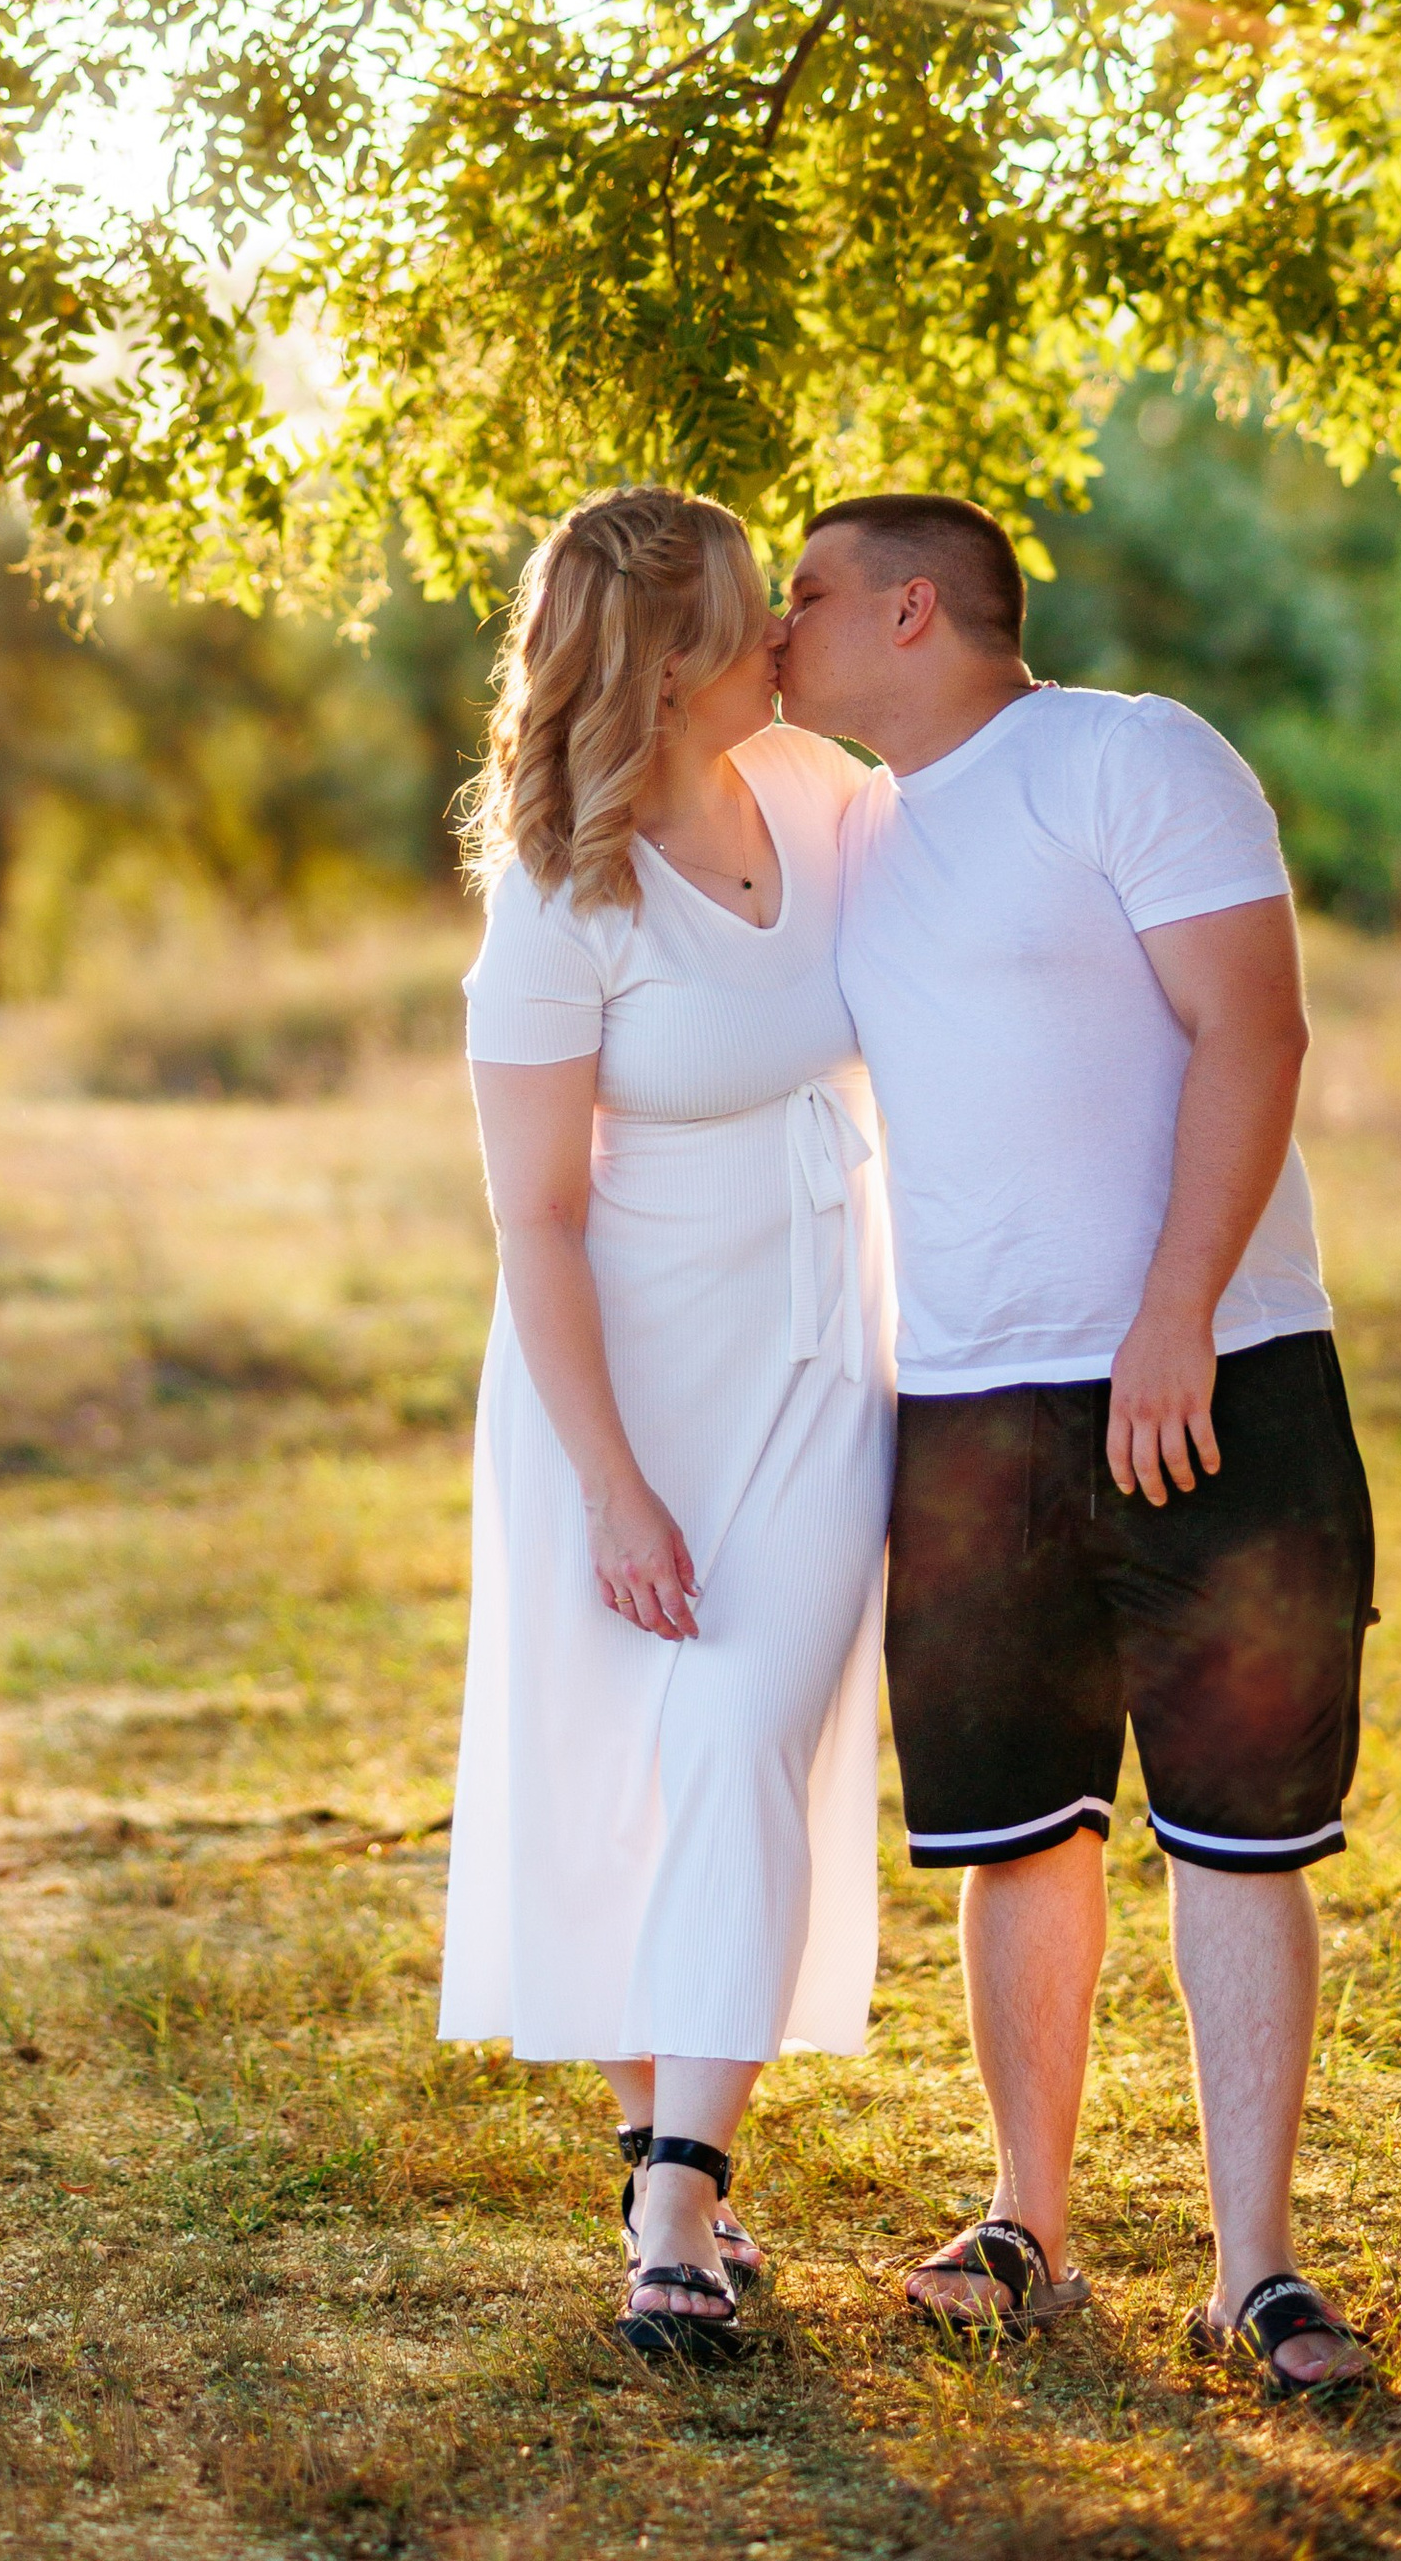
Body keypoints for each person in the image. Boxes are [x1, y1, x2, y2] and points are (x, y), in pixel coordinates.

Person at [777, 490, 1375, 2399]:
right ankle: (1028, 2221)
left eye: (804, 599)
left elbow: (1255, 1035)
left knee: (1237, 1826)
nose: (777, 634)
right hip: (964, 1406)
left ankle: (1257, 2268)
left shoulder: (1131, 754)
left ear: (916, 609)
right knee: (1012, 1830)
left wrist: (1176, 1312)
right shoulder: (850, 831)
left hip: (1214, 1373)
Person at [438, 483, 894, 2365]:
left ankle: (680, 2197)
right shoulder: (560, 888)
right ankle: (665, 2161)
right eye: (752, 611)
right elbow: (534, 1217)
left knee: (739, 1734)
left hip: (815, 1362)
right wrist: (617, 1493)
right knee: (622, 1764)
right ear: (673, 656)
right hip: (611, 1391)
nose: (790, 630)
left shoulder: (822, 789)